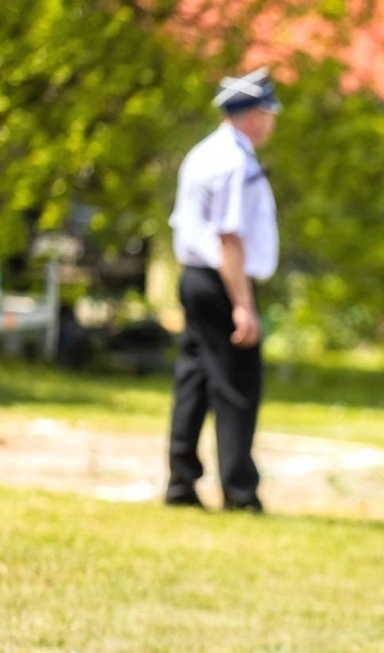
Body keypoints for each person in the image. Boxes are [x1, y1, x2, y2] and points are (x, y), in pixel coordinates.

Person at [164, 68, 281, 512]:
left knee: (193, 380)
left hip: (196, 277)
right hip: (222, 281)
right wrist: (243, 305)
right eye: (268, 113)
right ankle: (239, 491)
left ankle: (181, 480)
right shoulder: (235, 161)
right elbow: (229, 237)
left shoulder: (202, 153)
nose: (271, 123)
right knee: (236, 386)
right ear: (252, 115)